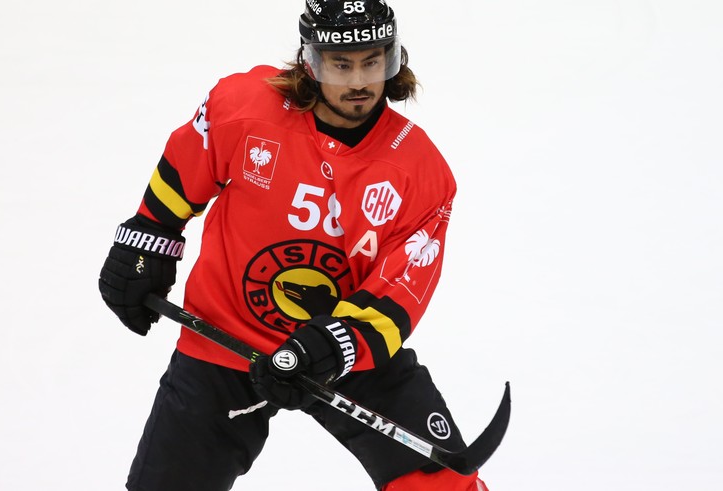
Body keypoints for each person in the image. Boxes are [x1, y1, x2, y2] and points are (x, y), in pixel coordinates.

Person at [98, 1, 489, 489]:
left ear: (394, 60)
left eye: (373, 61)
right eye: (339, 64)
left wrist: (336, 344)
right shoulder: (242, 105)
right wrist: (148, 238)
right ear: (309, 61)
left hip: (345, 349)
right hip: (225, 335)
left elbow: (402, 288)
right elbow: (187, 167)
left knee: (442, 482)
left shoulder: (421, 171)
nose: (358, 82)